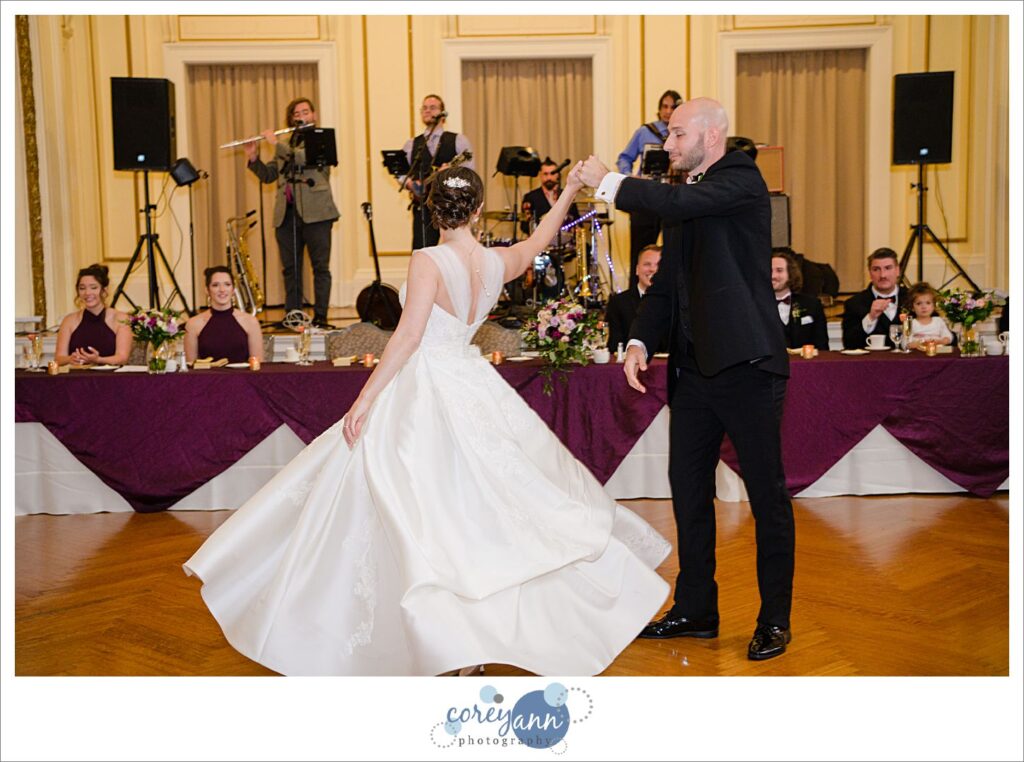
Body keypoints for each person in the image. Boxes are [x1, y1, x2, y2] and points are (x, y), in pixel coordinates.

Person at [183, 164, 670, 677]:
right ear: (478, 210)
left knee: (422, 514)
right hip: (474, 386)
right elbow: (539, 239)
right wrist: (569, 189)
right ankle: (470, 640)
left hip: (425, 390)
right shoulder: (497, 260)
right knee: (479, 515)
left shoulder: (427, 259)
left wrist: (365, 398)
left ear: (431, 210)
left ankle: (442, 637)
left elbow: (408, 336)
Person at [577, 96, 795, 661]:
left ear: (710, 135)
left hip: (748, 367)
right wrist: (639, 341)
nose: (667, 145)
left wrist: (611, 183)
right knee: (689, 493)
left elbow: (678, 200)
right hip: (693, 373)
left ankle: (775, 618)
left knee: (767, 497)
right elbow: (667, 285)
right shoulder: (687, 198)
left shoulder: (740, 178)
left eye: (676, 134)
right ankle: (697, 608)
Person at [244, 97, 339, 329]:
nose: (301, 117)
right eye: (296, 114)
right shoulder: (286, 143)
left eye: (305, 112)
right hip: (286, 214)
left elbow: (303, 158)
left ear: (313, 115)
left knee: (320, 267)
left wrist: (275, 143)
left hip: (317, 214)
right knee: (290, 269)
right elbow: (270, 175)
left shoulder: (320, 139)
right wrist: (253, 158)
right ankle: (293, 316)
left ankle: (321, 317)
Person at [616, 89, 682, 287]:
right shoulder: (645, 132)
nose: (668, 111)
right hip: (646, 197)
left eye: (673, 107)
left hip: (672, 197)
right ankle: (635, 295)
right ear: (659, 109)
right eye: (664, 107)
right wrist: (630, 176)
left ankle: (671, 292)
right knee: (640, 250)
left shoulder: (682, 133)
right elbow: (624, 158)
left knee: (675, 249)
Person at [402, 94, 474, 250]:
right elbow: (400, 172)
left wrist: (451, 173)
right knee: (422, 250)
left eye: (433, 108)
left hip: (451, 205)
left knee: (456, 249)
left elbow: (470, 175)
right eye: (424, 108)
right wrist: (410, 184)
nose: (427, 111)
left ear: (443, 114)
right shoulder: (412, 144)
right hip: (423, 209)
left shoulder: (459, 140)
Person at [54, 264, 132, 366]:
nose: (87, 293)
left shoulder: (120, 318)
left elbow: (122, 358)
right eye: (82, 288)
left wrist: (98, 360)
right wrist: (70, 359)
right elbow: (59, 359)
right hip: (77, 375)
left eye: (93, 287)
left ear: (105, 290)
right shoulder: (69, 320)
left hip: (111, 375)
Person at [184, 266, 265, 364]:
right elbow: (191, 367)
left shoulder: (251, 322)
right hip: (207, 374)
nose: (222, 289)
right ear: (207, 290)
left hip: (242, 374)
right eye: (215, 285)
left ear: (233, 289)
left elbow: (258, 365)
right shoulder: (193, 324)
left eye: (227, 284)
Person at [604, 244, 666, 352]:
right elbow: (615, 346)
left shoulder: (676, 302)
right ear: (637, 269)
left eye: (658, 265)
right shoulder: (618, 302)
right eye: (647, 264)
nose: (653, 269)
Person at [841, 247, 905, 349]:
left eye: (888, 268)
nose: (883, 275)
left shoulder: (914, 299)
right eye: (876, 269)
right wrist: (871, 318)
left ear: (898, 270)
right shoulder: (854, 303)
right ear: (870, 273)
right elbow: (849, 344)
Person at [771, 249, 829, 351]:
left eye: (779, 270)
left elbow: (822, 347)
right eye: (770, 271)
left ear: (791, 274)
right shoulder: (755, 306)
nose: (773, 276)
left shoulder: (812, 305)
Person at [520, 158, 580, 241]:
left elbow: (577, 221)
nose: (549, 177)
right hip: (540, 242)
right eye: (545, 174)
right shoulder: (530, 197)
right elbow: (524, 225)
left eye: (552, 173)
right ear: (540, 175)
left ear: (558, 175)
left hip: (565, 241)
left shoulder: (567, 195)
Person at [904, 282, 953, 349]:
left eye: (928, 303)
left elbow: (948, 337)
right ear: (912, 307)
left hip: (937, 352)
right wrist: (916, 344)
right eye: (919, 303)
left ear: (934, 306)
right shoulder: (910, 323)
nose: (924, 307)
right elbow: (905, 342)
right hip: (917, 353)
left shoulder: (938, 321)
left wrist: (941, 341)